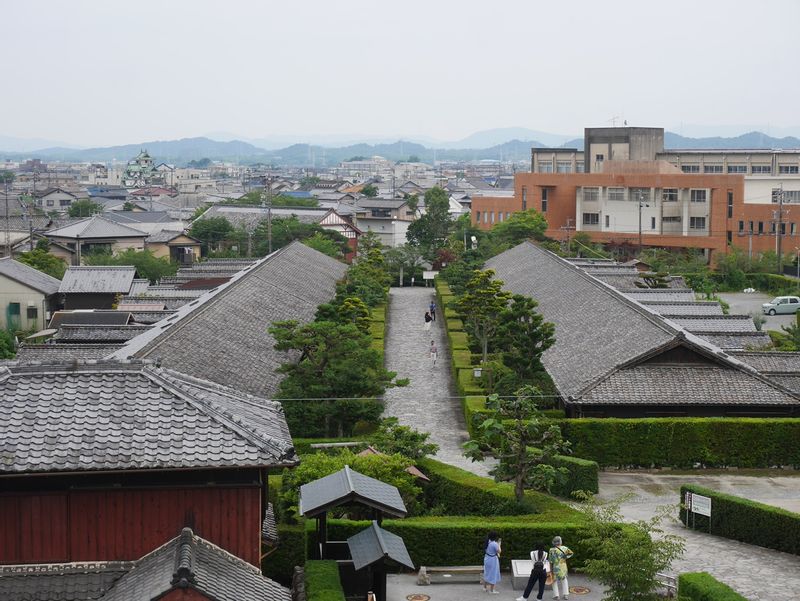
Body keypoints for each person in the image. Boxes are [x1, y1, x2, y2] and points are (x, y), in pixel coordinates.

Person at [548, 536, 573, 600]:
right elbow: (571, 553)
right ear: (560, 541)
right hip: (563, 567)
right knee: (564, 580)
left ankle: (556, 595)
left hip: (555, 567)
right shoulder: (565, 548)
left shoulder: (551, 550)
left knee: (554, 581)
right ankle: (566, 595)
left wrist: (550, 570)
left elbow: (550, 561)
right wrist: (565, 557)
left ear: (554, 542)